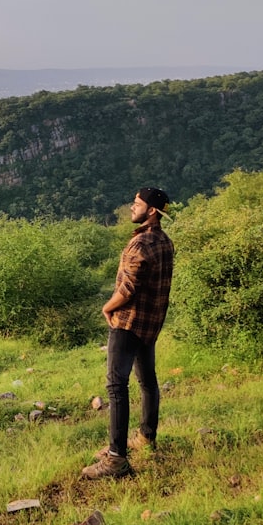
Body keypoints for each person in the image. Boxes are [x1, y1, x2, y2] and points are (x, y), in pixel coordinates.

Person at [81, 186, 174, 480]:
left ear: (151, 211)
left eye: (136, 203)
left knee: (116, 386)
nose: (131, 207)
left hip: (128, 323)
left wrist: (107, 307)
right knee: (148, 381)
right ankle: (147, 437)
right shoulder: (164, 241)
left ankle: (116, 459)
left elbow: (128, 289)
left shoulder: (140, 245)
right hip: (150, 324)